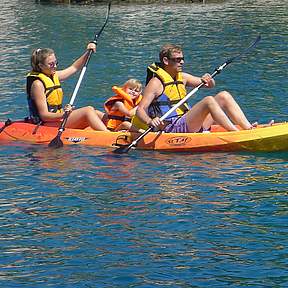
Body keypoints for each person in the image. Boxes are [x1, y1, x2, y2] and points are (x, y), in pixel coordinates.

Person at [136, 43, 255, 133]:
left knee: (224, 95)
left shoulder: (183, 77)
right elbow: (140, 109)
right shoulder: (155, 83)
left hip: (188, 121)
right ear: (166, 61)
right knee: (208, 101)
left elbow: (210, 85)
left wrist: (209, 80)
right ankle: (235, 133)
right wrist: (150, 121)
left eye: (182, 59)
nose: (182, 62)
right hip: (172, 126)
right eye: (177, 60)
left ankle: (248, 128)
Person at [26, 43, 108, 131]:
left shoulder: (53, 75)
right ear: (41, 66)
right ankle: (109, 135)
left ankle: (118, 126)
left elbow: (74, 67)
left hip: (57, 119)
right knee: (88, 110)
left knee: (96, 113)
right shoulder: (37, 84)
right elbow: (44, 116)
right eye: (51, 64)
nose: (55, 66)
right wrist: (64, 114)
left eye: (55, 63)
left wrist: (88, 52)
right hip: (45, 124)